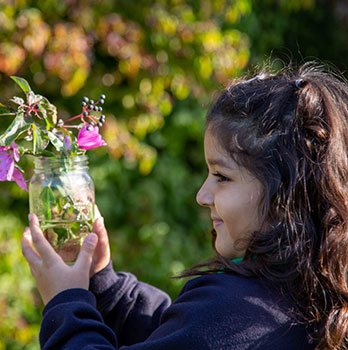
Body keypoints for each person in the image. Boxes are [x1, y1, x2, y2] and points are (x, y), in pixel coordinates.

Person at [21, 63, 348, 350]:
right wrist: (104, 283)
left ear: (284, 194)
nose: (202, 195)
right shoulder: (299, 297)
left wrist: (65, 303)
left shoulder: (231, 310)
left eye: (222, 176)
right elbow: (176, 334)